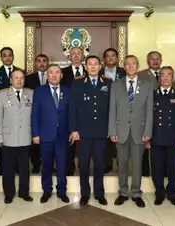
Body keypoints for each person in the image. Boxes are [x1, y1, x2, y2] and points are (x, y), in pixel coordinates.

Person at [108, 55, 153, 207]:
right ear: (124, 67)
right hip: (120, 131)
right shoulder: (116, 84)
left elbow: (149, 111)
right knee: (122, 163)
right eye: (127, 64)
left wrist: (148, 131)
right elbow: (112, 110)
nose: (131, 66)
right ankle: (122, 192)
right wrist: (112, 131)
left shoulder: (147, 84)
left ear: (138, 65)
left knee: (137, 165)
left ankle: (136, 193)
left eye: (134, 63)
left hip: (139, 132)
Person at [70, 55, 111, 205]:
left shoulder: (108, 83)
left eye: (96, 64)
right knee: (84, 164)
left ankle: (99, 193)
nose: (93, 67)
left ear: (100, 66)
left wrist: (111, 129)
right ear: (85, 67)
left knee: (100, 164)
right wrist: (74, 129)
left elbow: (112, 109)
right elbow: (72, 108)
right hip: (84, 131)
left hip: (102, 131)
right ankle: (85, 194)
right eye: (90, 64)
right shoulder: (78, 83)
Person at [31, 64, 71, 203]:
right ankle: (46, 190)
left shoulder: (67, 91)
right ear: (47, 75)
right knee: (46, 165)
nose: (54, 75)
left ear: (61, 75)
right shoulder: (39, 91)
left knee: (62, 165)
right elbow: (35, 114)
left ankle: (62, 191)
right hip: (45, 134)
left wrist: (72, 131)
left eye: (57, 72)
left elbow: (71, 114)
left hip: (62, 135)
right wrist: (35, 134)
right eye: (51, 73)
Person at [150, 66, 175, 207]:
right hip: (156, 138)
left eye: (169, 75)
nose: (165, 78)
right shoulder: (152, 94)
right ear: (159, 78)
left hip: (174, 138)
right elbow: (148, 118)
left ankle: (172, 193)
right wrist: (148, 138)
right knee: (157, 168)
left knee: (173, 168)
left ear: (172, 78)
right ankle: (159, 193)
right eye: (163, 75)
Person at [0, 69, 34, 204]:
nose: (19, 80)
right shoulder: (2, 95)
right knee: (8, 168)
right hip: (8, 137)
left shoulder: (31, 93)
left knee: (25, 167)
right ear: (10, 80)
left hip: (25, 135)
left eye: (22, 78)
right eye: (16, 78)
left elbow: (33, 116)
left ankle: (24, 192)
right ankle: (9, 193)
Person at [0, 47, 24, 176]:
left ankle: (16, 166)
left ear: (13, 56)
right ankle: (1, 167)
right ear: (1, 58)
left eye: (10, 55)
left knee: (17, 138)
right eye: (4, 55)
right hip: (2, 109)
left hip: (17, 109)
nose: (7, 58)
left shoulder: (20, 71)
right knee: (2, 139)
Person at [61, 47, 88, 175]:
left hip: (86, 113)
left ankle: (85, 168)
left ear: (83, 56)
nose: (76, 56)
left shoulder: (91, 70)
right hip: (68, 112)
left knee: (86, 143)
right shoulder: (62, 72)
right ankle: (69, 168)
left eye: (79, 54)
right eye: (73, 54)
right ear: (69, 57)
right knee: (69, 142)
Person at [99, 48, 126, 174]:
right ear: (104, 59)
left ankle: (121, 164)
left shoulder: (124, 72)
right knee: (105, 138)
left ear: (117, 58)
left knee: (121, 138)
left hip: (121, 109)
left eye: (113, 55)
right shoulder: (97, 72)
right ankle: (107, 164)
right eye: (107, 56)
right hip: (103, 109)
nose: (110, 58)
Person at [137, 51, 162, 177]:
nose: (155, 61)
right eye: (152, 59)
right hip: (145, 113)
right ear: (148, 61)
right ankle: (145, 173)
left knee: (158, 145)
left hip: (161, 115)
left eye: (157, 59)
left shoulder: (166, 73)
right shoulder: (140, 74)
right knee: (144, 146)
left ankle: (160, 173)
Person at [25, 53, 49, 174]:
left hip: (49, 115)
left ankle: (48, 165)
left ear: (47, 63)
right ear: (35, 63)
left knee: (48, 142)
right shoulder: (28, 78)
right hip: (33, 113)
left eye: (44, 61)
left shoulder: (53, 76)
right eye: (39, 61)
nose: (41, 63)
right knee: (34, 142)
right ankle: (35, 165)